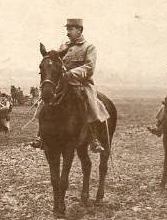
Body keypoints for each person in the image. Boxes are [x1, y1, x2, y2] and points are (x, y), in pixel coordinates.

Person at [29, 18, 109, 153]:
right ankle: (41, 135)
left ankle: (94, 138)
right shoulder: (64, 46)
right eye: (67, 29)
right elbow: (57, 62)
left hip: (81, 83)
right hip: (63, 82)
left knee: (90, 103)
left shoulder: (89, 47)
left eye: (70, 29)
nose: (68, 33)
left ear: (79, 30)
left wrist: (71, 74)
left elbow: (89, 67)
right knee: (46, 101)